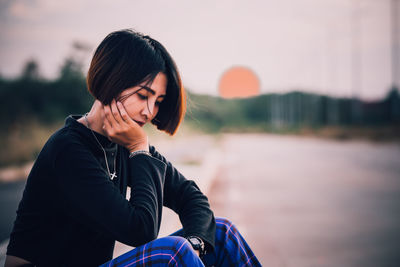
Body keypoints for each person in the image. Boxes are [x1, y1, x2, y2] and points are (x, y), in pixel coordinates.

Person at [5, 29, 261, 267]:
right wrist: (139, 148)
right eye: (143, 95)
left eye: (158, 101)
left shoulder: (124, 144)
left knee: (221, 232)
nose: (150, 111)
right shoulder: (68, 149)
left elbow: (190, 195)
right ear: (111, 81)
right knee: (171, 252)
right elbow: (140, 230)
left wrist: (196, 243)